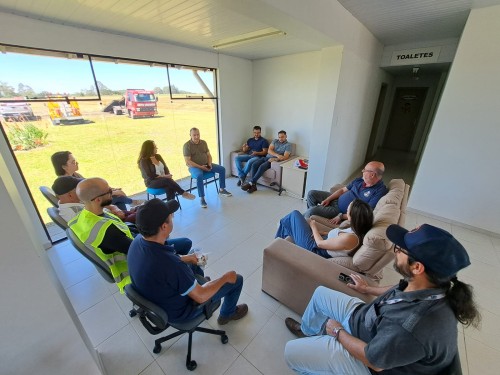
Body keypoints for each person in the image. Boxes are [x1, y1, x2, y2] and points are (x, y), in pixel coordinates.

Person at [284, 223, 481, 375]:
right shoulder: (431, 285)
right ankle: (308, 332)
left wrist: (337, 332)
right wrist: (367, 288)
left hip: (365, 358)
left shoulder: (411, 325)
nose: (395, 251)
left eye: (400, 249)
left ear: (417, 267)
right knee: (320, 293)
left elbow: (374, 362)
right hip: (366, 319)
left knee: (291, 353)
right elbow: (399, 288)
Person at [128, 198, 249, 325]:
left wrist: (188, 258)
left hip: (158, 297)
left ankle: (200, 283)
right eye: (171, 216)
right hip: (182, 312)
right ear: (164, 226)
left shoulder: (137, 242)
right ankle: (227, 314)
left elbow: (164, 264)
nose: (173, 216)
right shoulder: (172, 265)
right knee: (236, 279)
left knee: (193, 258)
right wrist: (225, 278)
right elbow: (200, 296)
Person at [68, 178, 193, 293]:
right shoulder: (106, 232)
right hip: (136, 268)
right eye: (109, 191)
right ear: (98, 200)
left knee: (184, 243)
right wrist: (180, 258)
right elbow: (145, 254)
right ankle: (190, 283)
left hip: (136, 245)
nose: (113, 192)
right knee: (185, 246)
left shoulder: (86, 216)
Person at [276, 199, 373, 259]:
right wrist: (322, 232)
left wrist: (313, 226)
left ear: (352, 216)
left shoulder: (351, 239)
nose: (346, 211)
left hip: (313, 248)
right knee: (291, 219)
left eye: (348, 210)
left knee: (294, 214)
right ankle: (279, 239)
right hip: (320, 241)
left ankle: (276, 244)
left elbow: (320, 244)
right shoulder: (357, 230)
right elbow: (339, 237)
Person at [51, 151, 141, 211]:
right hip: (92, 203)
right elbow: (89, 195)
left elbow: (93, 186)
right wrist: (112, 192)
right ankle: (132, 204)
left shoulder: (75, 175)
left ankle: (125, 216)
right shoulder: (64, 184)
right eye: (73, 162)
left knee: (118, 198)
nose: (77, 163)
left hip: (96, 197)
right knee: (118, 197)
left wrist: (112, 190)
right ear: (64, 167)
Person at [303, 161, 387, 224]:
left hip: (340, 211)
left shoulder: (379, 191)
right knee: (311, 194)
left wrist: (341, 216)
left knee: (311, 211)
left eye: (365, 170)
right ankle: (313, 219)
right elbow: (343, 190)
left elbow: (364, 213)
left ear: (372, 175)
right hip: (337, 200)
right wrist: (328, 199)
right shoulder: (360, 180)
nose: (363, 171)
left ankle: (308, 220)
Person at [52, 175, 138, 223]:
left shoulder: (74, 201)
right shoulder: (74, 214)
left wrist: (114, 208)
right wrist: (118, 216)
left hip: (114, 216)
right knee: (143, 214)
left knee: (141, 211)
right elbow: (100, 224)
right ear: (70, 195)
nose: (81, 191)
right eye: (78, 189)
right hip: (114, 223)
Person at [183, 127, 232, 208]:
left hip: (206, 164)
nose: (196, 137)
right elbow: (188, 161)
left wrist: (209, 164)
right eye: (194, 135)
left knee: (222, 169)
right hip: (194, 167)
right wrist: (201, 167)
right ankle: (202, 198)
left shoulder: (203, 143)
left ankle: (222, 190)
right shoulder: (186, 145)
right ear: (190, 135)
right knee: (199, 175)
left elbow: (209, 155)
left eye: (198, 134)